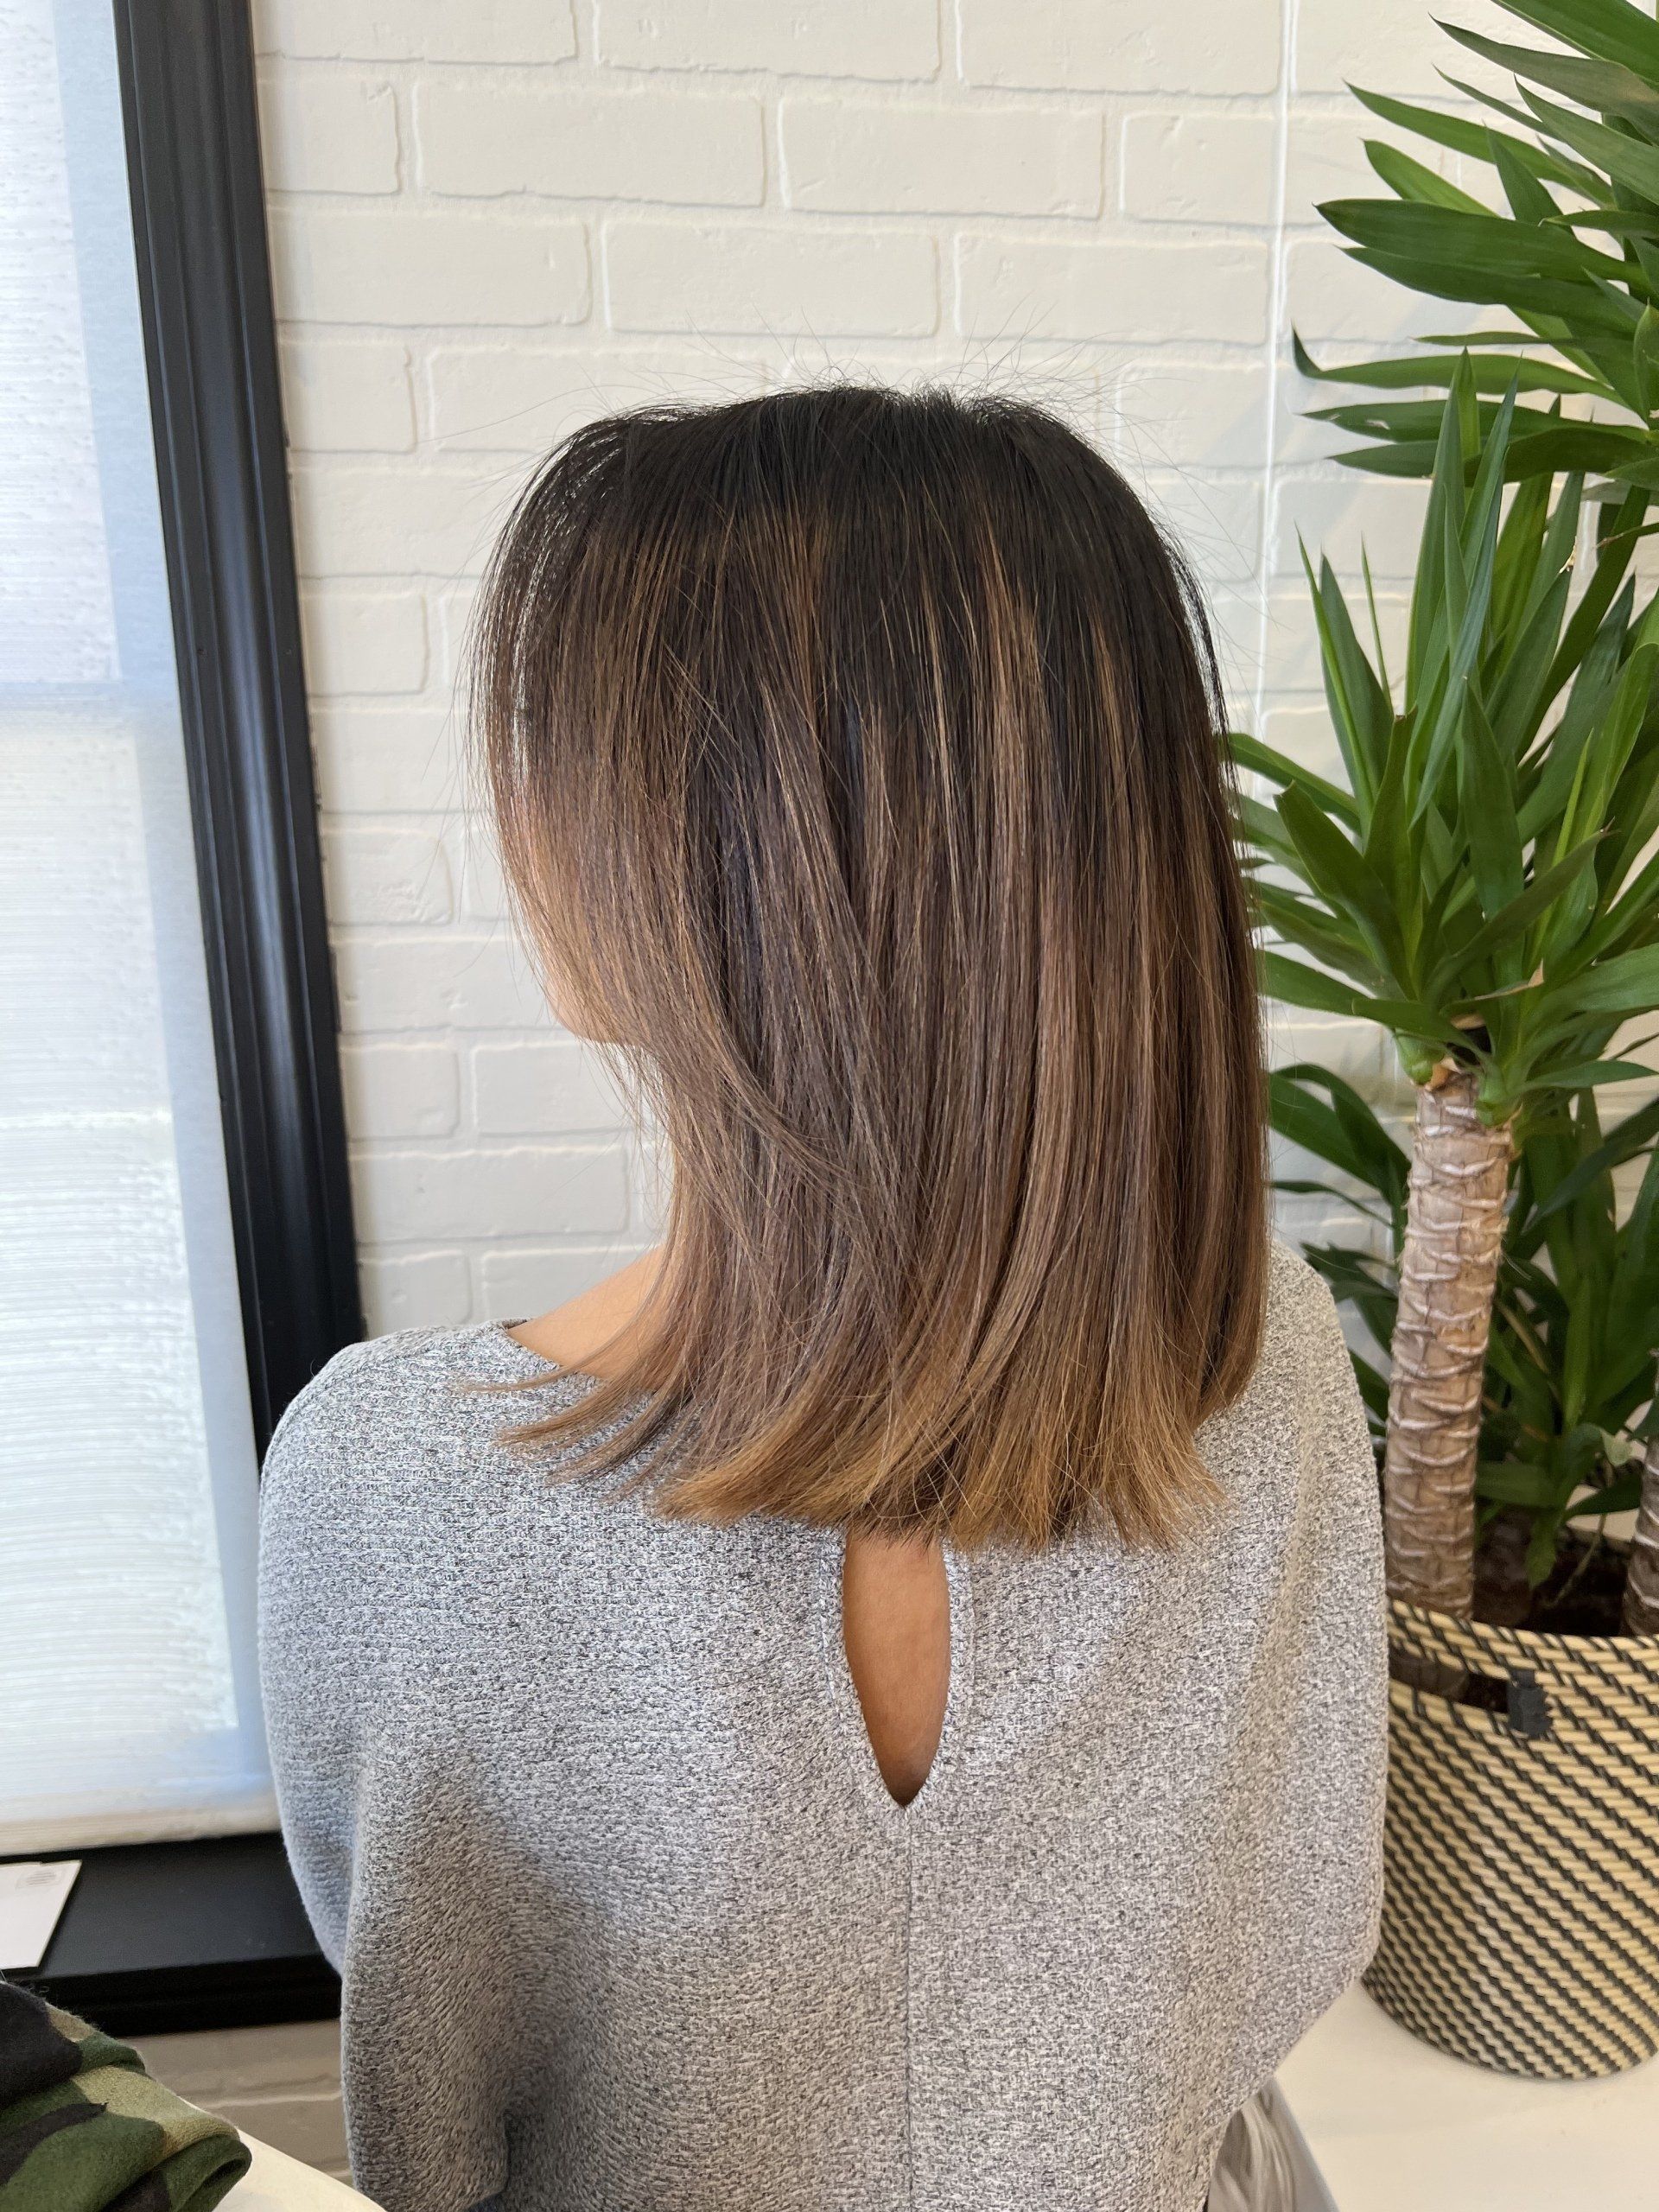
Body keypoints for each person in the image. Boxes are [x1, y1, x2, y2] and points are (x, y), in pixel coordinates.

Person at [257, 384, 1388, 2212]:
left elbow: (421, 2036)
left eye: (558, 754)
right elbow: (1292, 1935)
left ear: (669, 864)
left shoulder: (399, 1483)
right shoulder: (1262, 1367)